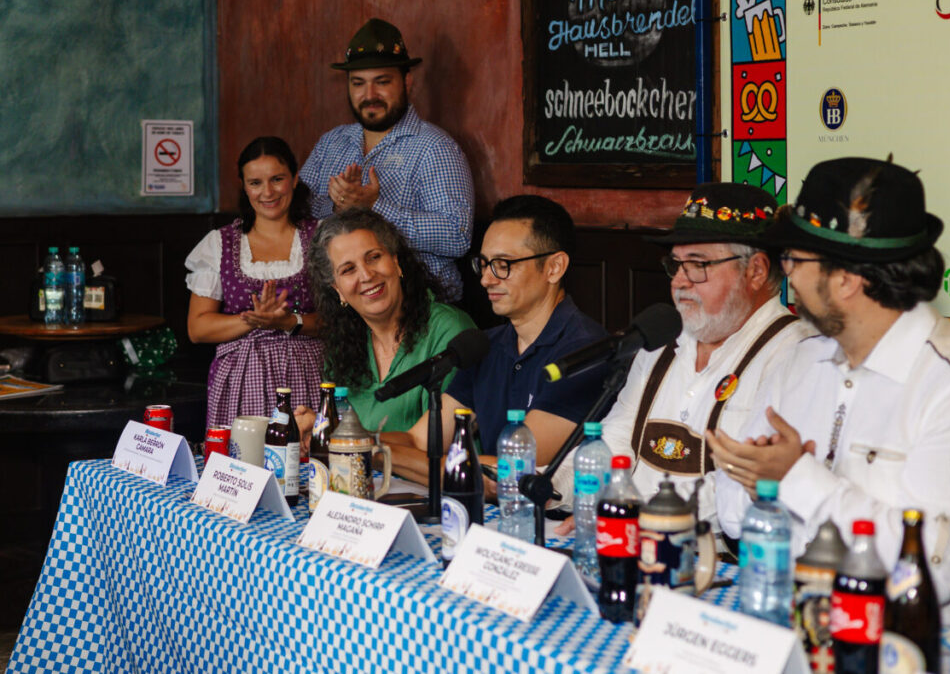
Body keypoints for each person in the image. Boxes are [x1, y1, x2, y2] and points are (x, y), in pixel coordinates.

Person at [707, 157, 950, 621]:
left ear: (847, 279)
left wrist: (794, 478)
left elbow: (933, 574)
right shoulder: (800, 360)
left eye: (794, 258)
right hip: (791, 627)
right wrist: (757, 483)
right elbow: (731, 509)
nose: (786, 272)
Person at [569, 183, 810, 530]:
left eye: (697, 265)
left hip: (714, 560)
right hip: (626, 534)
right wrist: (554, 487)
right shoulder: (661, 338)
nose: (679, 282)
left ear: (756, 271)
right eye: (675, 265)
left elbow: (745, 483)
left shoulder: (794, 352)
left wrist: (647, 517)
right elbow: (615, 438)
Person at [382, 195, 609, 493]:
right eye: (484, 264)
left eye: (503, 265)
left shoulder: (585, 351)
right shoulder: (485, 345)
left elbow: (509, 470)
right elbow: (419, 440)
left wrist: (380, 453)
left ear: (554, 267)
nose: (487, 279)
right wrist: (348, 438)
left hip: (550, 521)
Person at [299, 18, 474, 302]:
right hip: (339, 308)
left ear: (407, 82)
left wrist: (374, 209)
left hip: (420, 307)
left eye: (382, 82)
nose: (369, 95)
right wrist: (336, 205)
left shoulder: (434, 147)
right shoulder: (330, 143)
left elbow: (457, 236)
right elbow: (295, 210)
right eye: (358, 83)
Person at [186, 136, 324, 427]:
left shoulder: (323, 238)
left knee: (305, 463)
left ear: (295, 179)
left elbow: (340, 320)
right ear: (244, 186)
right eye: (255, 183)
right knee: (240, 466)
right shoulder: (219, 244)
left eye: (277, 179)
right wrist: (254, 320)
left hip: (308, 373)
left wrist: (290, 322)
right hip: (239, 376)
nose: (268, 192)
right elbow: (197, 328)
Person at [297, 208, 475, 433]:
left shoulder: (449, 329)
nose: (366, 275)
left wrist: (334, 433)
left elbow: (432, 443)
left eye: (374, 257)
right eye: (348, 269)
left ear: (396, 262)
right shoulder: (342, 350)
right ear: (337, 290)